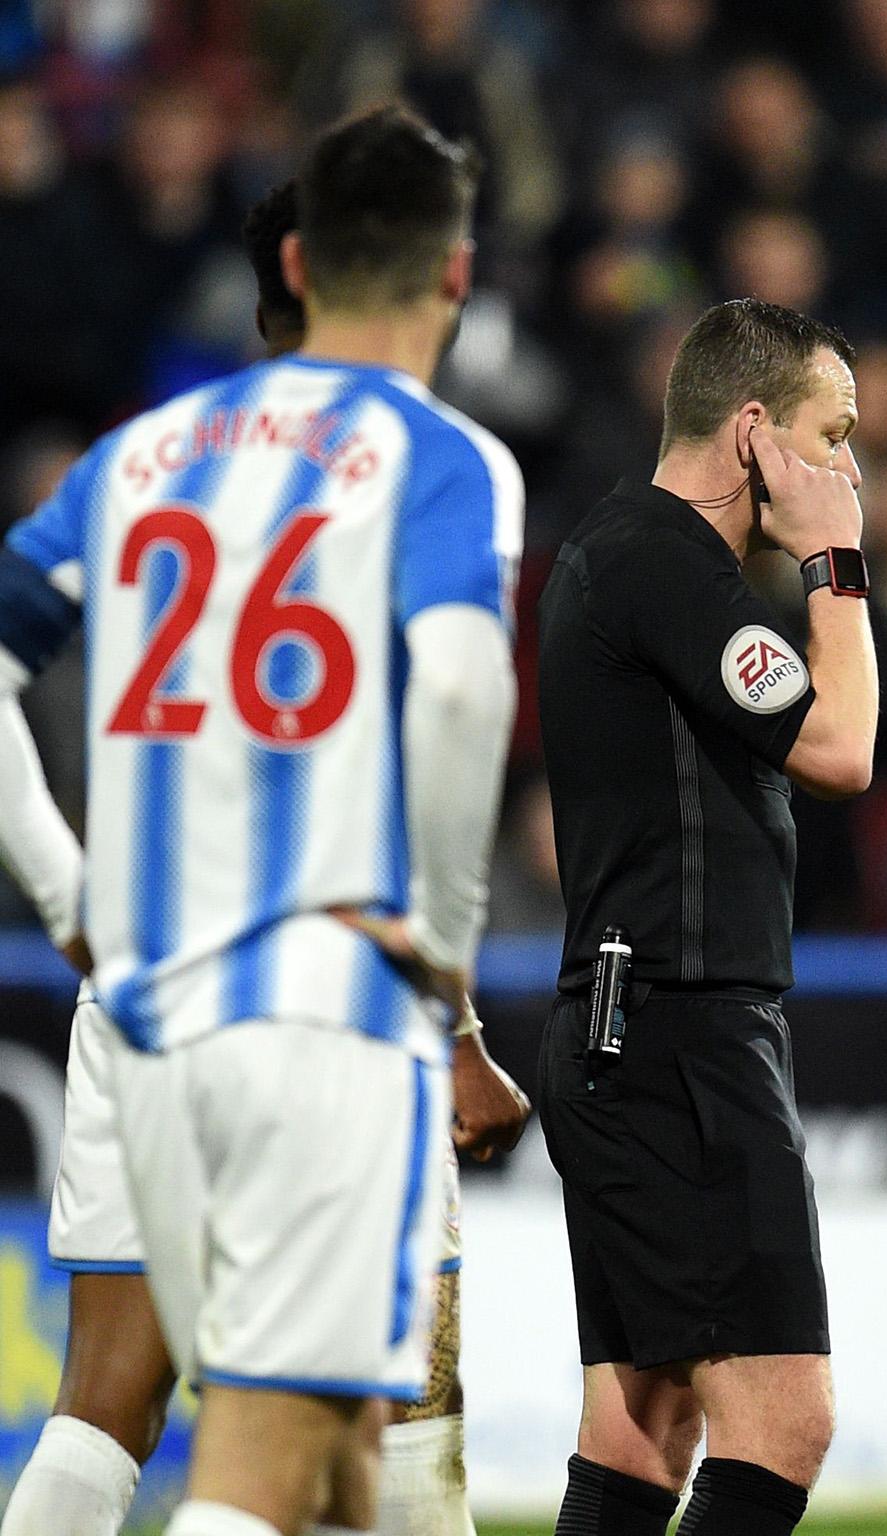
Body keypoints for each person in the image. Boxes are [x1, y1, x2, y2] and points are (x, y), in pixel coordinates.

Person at [0, 105, 521, 1536]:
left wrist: (64, 892)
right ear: (455, 276)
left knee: (121, 1406)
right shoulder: (435, 459)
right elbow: (463, 703)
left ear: (285, 264)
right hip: (318, 1000)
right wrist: (446, 980)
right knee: (299, 1443)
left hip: (141, 995)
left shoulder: (144, 455)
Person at [534, 296, 877, 1536]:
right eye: (830, 434)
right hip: (673, 1030)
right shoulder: (658, 562)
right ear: (751, 435)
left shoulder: (635, 559)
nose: (848, 469)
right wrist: (837, 563)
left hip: (636, 1029)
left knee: (646, 1426)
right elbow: (840, 743)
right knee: (783, 1421)